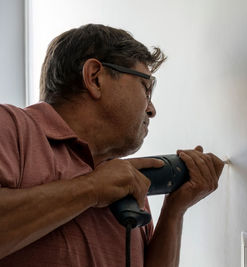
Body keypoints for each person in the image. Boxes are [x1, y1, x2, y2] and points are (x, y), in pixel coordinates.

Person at [0, 24, 224, 266]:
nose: (151, 109)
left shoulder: (125, 182)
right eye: (146, 88)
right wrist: (93, 188)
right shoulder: (12, 127)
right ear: (95, 78)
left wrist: (175, 211)